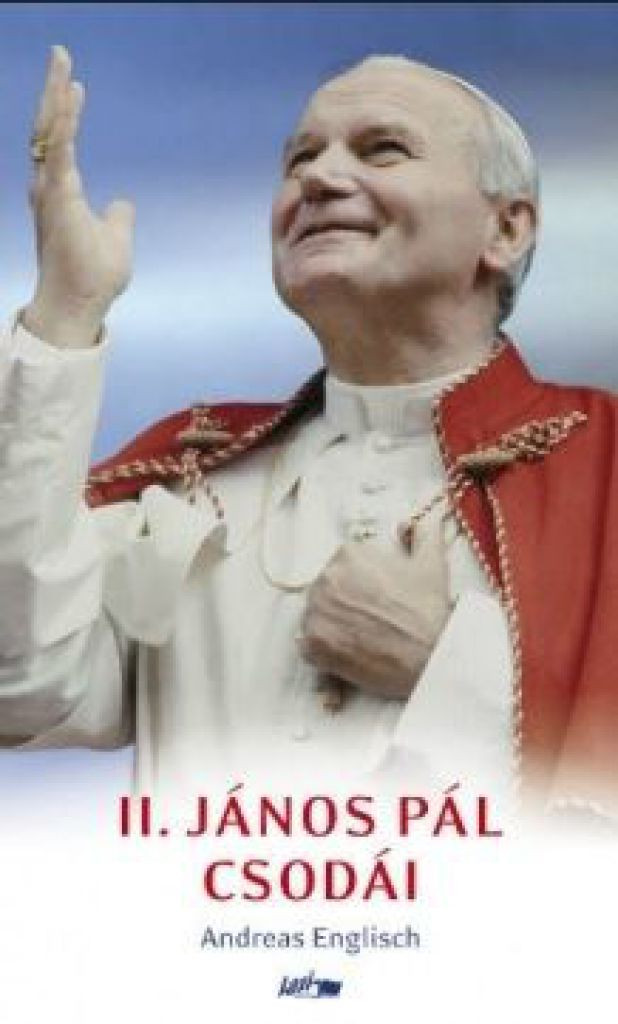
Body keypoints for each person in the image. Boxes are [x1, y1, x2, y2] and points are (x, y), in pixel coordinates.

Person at [0, 46, 616, 823]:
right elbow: (20, 687)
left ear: (506, 228)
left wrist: (448, 669)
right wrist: (65, 313)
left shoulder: (603, 463)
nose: (318, 179)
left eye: (382, 149)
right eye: (299, 159)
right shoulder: (194, 475)